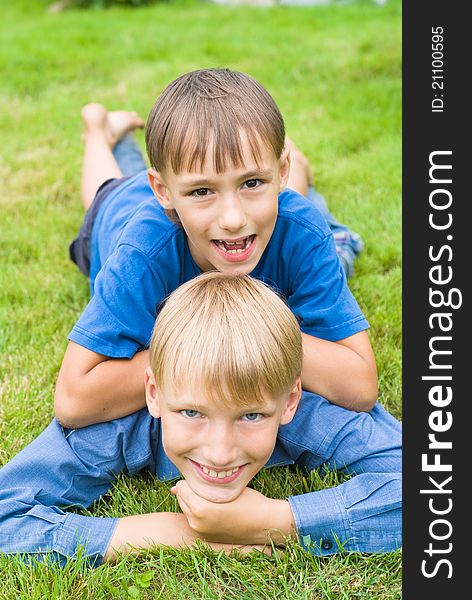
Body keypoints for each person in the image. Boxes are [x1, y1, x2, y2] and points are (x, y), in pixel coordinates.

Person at [0, 272, 402, 566]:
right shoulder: (121, 426)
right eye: (191, 412)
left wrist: (276, 520)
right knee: (109, 198)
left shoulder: (301, 411)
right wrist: (167, 533)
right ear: (153, 393)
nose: (220, 452)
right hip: (116, 229)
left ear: (290, 401)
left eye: (250, 415)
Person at [55, 68, 377, 430]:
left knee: (283, 211)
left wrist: (252, 333)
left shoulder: (301, 229)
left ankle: (274, 175)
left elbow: (360, 386)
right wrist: (210, 345)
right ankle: (98, 133)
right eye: (201, 191)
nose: (233, 218)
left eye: (252, 181)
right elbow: (73, 401)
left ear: (279, 171)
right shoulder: (141, 252)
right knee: (107, 189)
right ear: (163, 192)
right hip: (118, 211)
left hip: (227, 203)